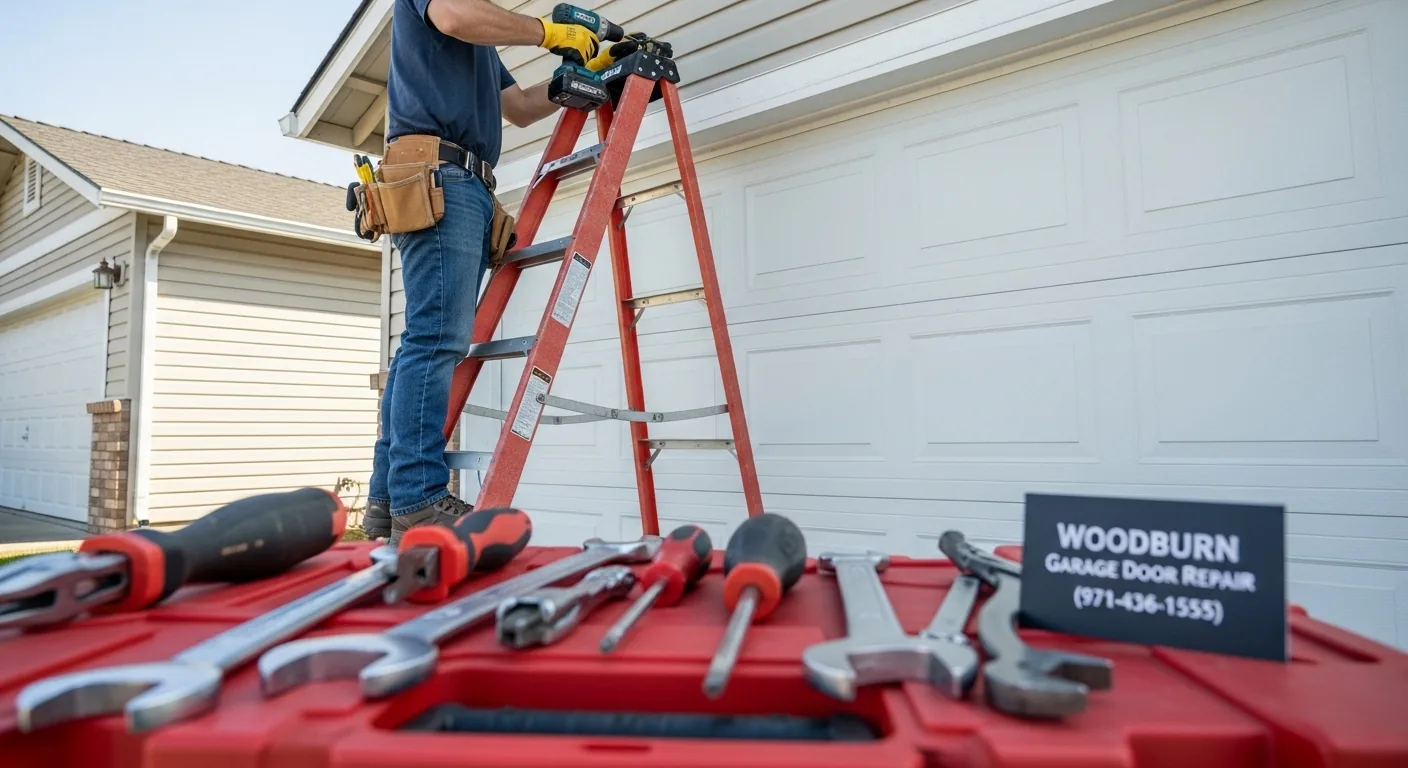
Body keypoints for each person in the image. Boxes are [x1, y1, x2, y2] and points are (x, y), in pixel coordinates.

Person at [359, 0, 615, 545]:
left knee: (422, 342)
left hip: (465, 181)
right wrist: (548, 31)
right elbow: (454, 14)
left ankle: (388, 500)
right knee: (436, 340)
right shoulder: (451, 11)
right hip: (438, 173)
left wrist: (575, 76)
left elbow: (519, 107)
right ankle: (418, 499)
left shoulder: (480, 44)